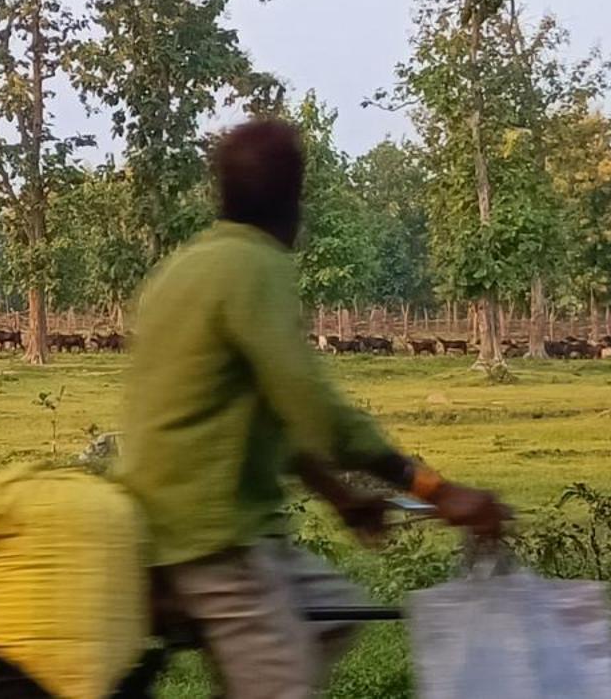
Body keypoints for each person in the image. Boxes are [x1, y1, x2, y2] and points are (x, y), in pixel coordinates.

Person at [117, 118, 509, 699]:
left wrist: (341, 495)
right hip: (208, 536)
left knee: (333, 615)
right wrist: (434, 488)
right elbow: (316, 410)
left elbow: (268, 410)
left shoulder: (187, 265)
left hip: (188, 517)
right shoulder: (256, 268)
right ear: (294, 197)